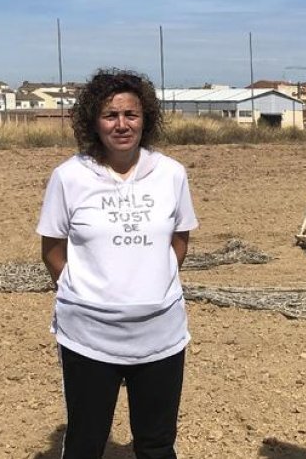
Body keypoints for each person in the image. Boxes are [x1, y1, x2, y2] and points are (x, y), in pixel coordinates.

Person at [37, 69, 198, 459]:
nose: (122, 125)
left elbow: (180, 238)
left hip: (159, 335)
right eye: (111, 115)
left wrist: (150, 282)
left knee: (157, 444)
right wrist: (85, 291)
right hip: (89, 337)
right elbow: (52, 248)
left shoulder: (171, 174)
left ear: (146, 119)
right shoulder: (69, 176)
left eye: (131, 115)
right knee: (86, 443)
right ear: (94, 121)